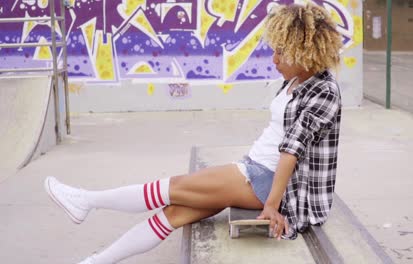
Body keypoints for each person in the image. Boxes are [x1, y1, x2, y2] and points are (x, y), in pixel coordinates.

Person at [44, 3, 343, 263]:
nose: (274, 59)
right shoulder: (295, 82)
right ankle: (97, 260)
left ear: (305, 52)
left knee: (167, 188)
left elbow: (292, 150)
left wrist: (271, 206)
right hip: (258, 170)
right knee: (174, 212)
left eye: (281, 52)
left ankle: (86, 200)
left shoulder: (323, 91)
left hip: (267, 180)